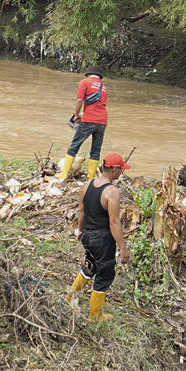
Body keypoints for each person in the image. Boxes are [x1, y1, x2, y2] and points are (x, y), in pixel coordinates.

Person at [68, 150, 132, 321]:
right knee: (105, 274)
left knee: (90, 265)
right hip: (103, 240)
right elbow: (114, 222)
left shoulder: (87, 185)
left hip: (88, 236)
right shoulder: (112, 192)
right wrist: (123, 247)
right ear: (114, 169)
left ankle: (70, 296)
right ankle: (96, 315)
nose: (122, 172)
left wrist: (80, 231)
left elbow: (81, 210)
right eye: (121, 169)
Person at [59, 66, 108, 181]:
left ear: (88, 74)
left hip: (89, 120)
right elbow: (99, 105)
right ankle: (91, 178)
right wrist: (84, 113)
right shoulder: (104, 87)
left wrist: (76, 115)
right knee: (96, 149)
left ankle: (64, 175)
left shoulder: (85, 82)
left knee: (74, 146)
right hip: (102, 121)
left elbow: (80, 100)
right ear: (99, 76)